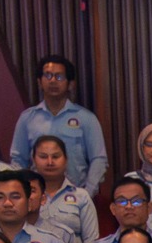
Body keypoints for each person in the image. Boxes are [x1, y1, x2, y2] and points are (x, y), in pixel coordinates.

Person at [9, 55, 106, 194]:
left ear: (70, 84)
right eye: (48, 76)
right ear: (39, 82)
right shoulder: (27, 118)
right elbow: (18, 159)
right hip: (38, 197)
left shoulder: (86, 118)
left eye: (59, 77)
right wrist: (26, 193)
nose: (53, 81)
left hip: (75, 195)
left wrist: (87, 194)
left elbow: (98, 159)